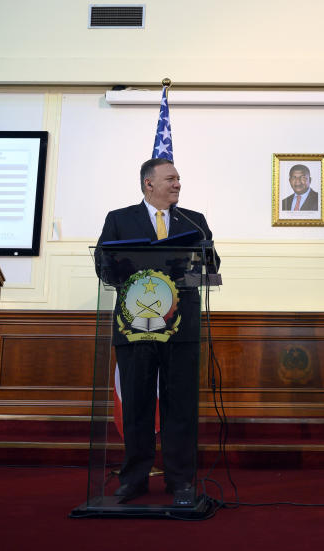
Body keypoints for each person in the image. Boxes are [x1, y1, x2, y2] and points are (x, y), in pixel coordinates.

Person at [95, 158, 217, 508]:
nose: (178, 184)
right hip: (136, 326)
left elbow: (210, 270)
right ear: (149, 184)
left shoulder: (194, 221)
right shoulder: (119, 219)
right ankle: (133, 478)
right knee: (137, 404)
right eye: (171, 179)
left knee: (180, 406)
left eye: (178, 179)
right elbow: (104, 268)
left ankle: (181, 481)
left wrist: (185, 273)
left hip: (181, 328)